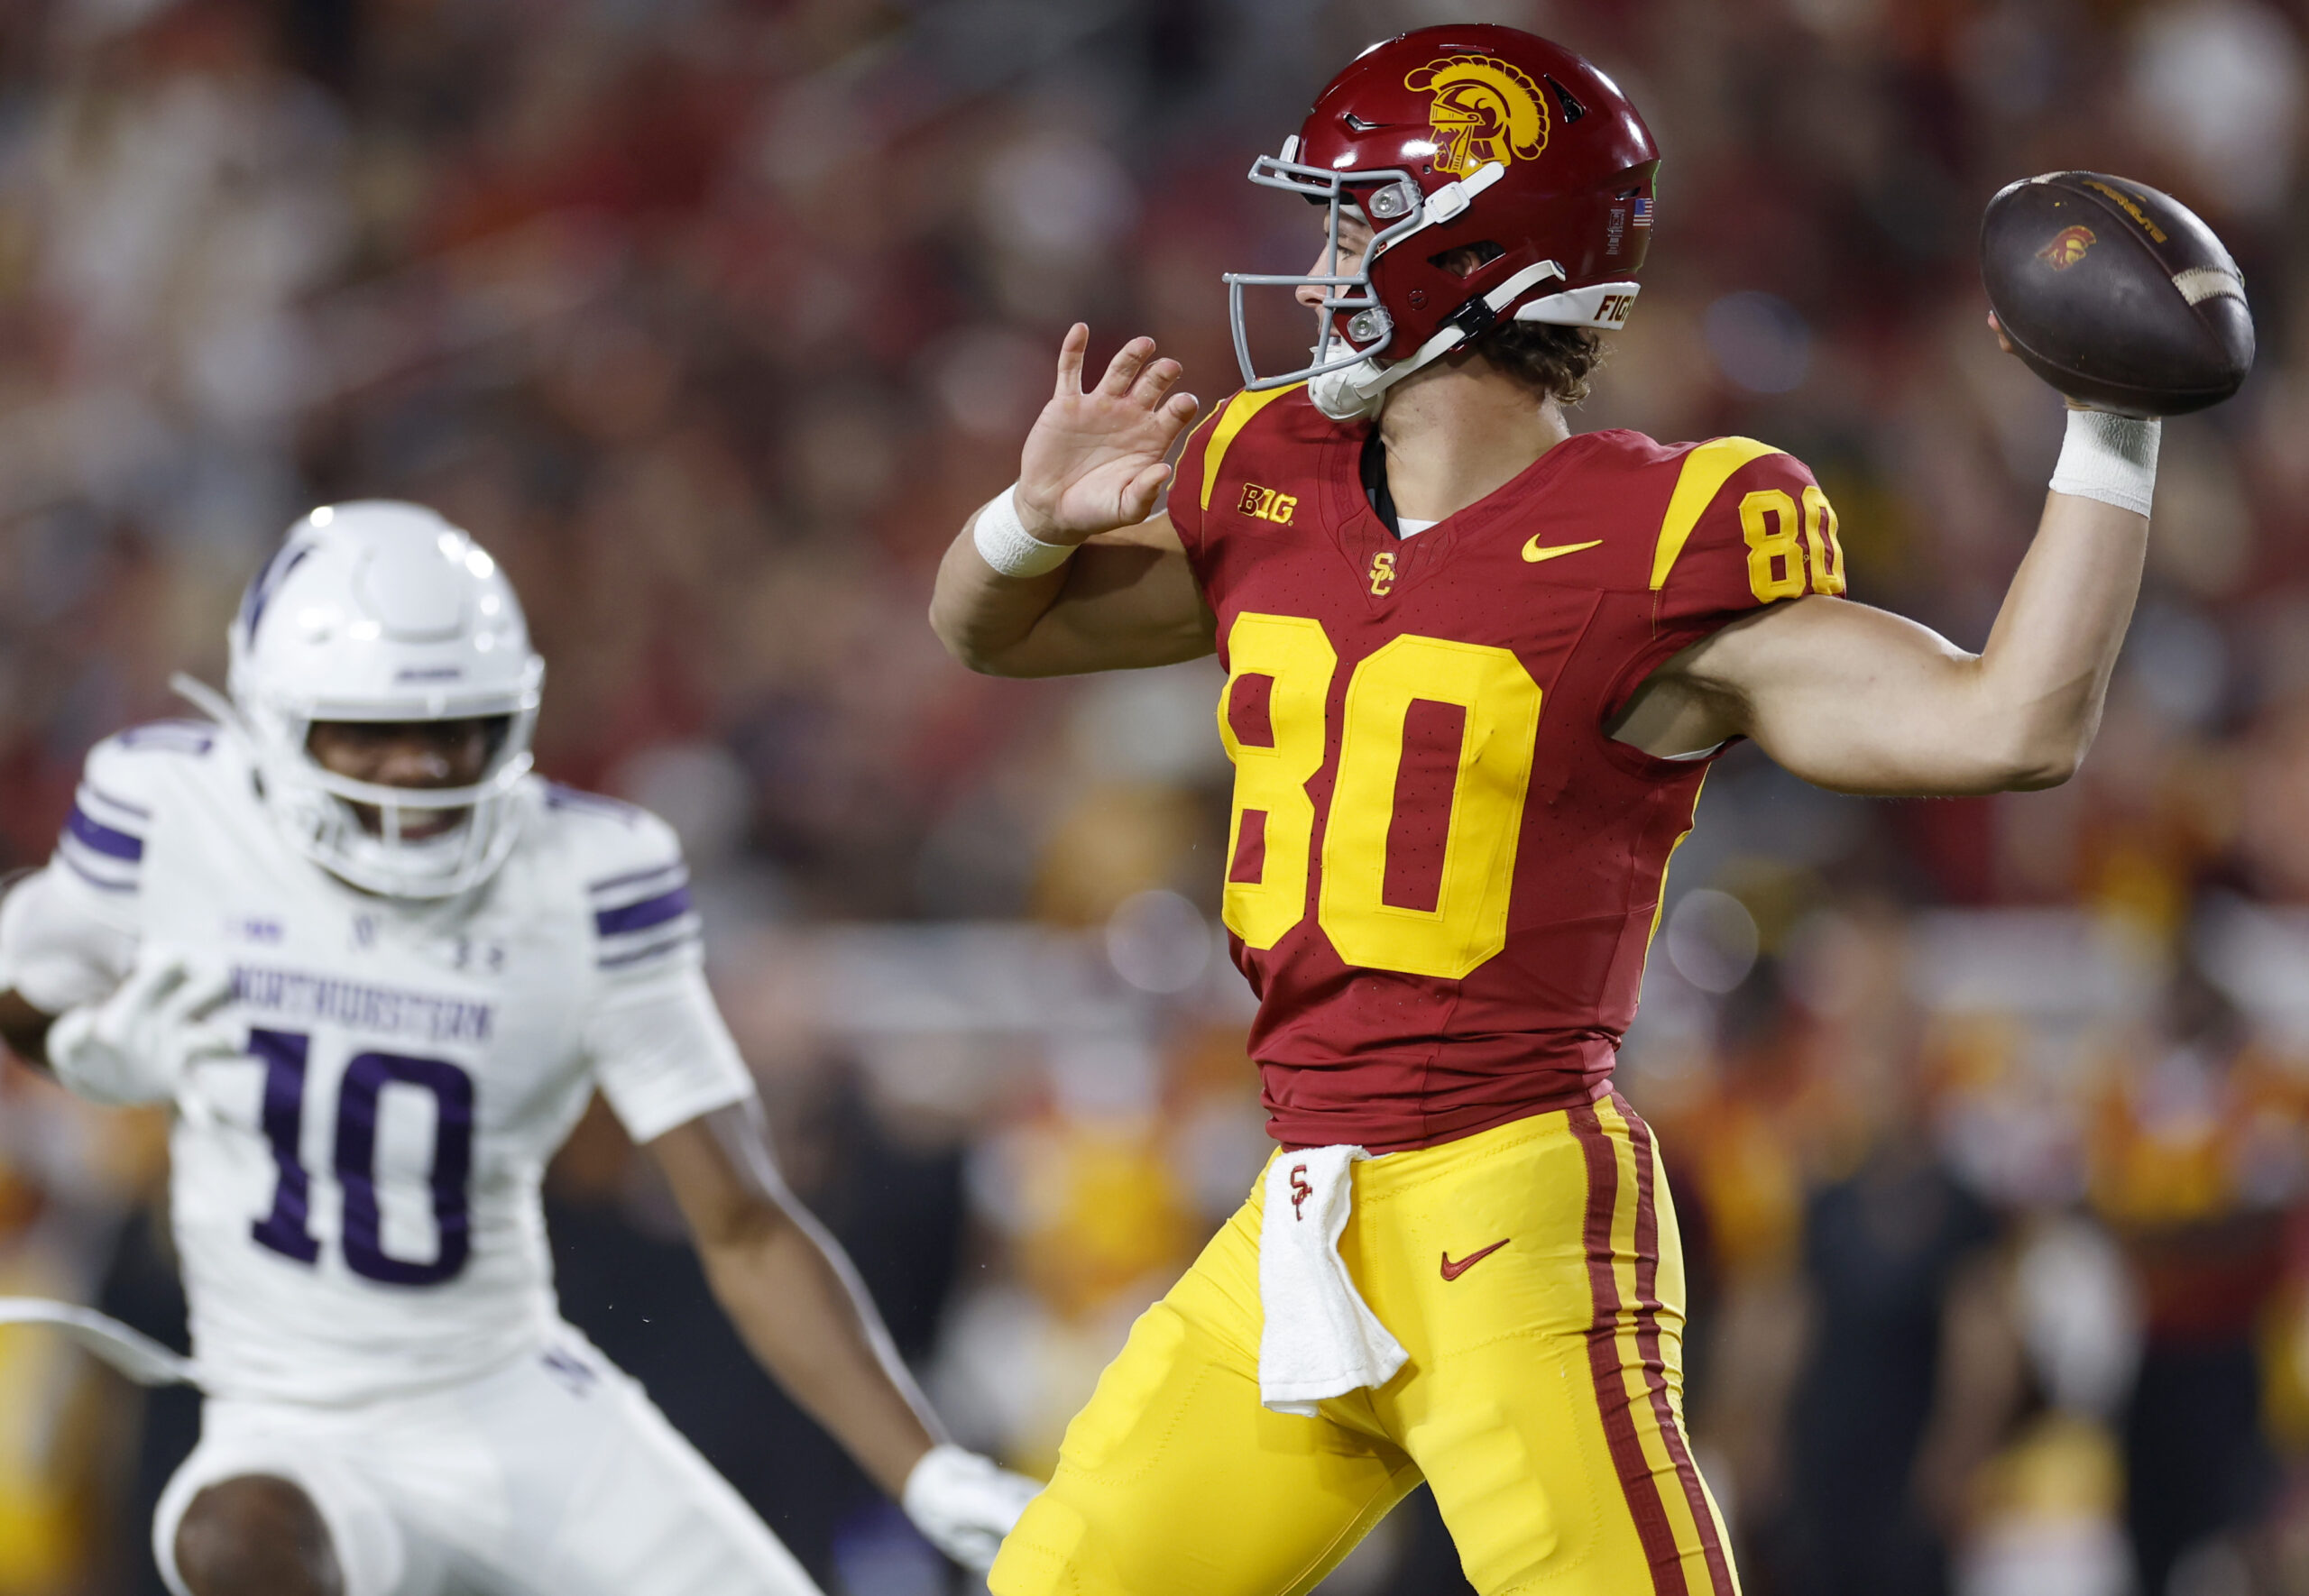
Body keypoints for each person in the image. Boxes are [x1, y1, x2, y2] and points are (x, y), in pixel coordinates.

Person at [927, 23, 2161, 1596]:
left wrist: (2112, 437)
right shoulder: (1272, 479)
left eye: (1356, 221)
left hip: (1510, 1213)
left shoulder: (1660, 534)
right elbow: (988, 629)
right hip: (1301, 1206)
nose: (1315, 269)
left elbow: (2013, 723)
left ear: (1473, 253)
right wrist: (1025, 520)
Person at [0, 500, 1039, 1596]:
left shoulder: (589, 878)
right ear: (271, 719)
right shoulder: (172, 808)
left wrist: (925, 1471)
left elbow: (741, 1220)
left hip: (509, 1400)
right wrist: (92, 1051)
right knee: (234, 1540)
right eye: (370, 731)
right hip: (290, 1418)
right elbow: (28, 979)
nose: (416, 770)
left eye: (456, 727)